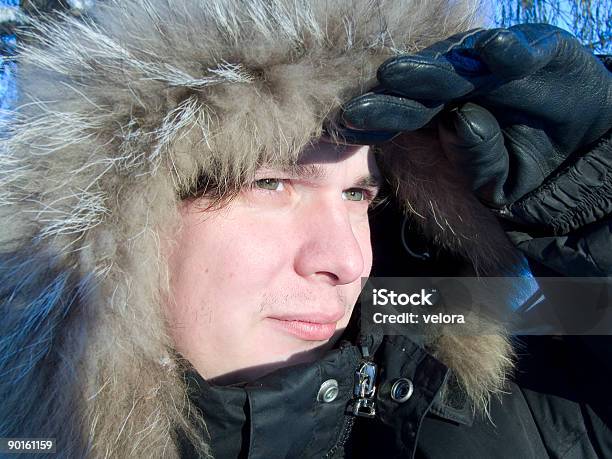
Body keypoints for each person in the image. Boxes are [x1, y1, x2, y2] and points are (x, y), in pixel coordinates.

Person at [0, 1, 610, 458]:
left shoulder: (492, 405)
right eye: (269, 183)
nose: (348, 262)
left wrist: (599, 223)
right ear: (116, 218)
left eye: (358, 194)